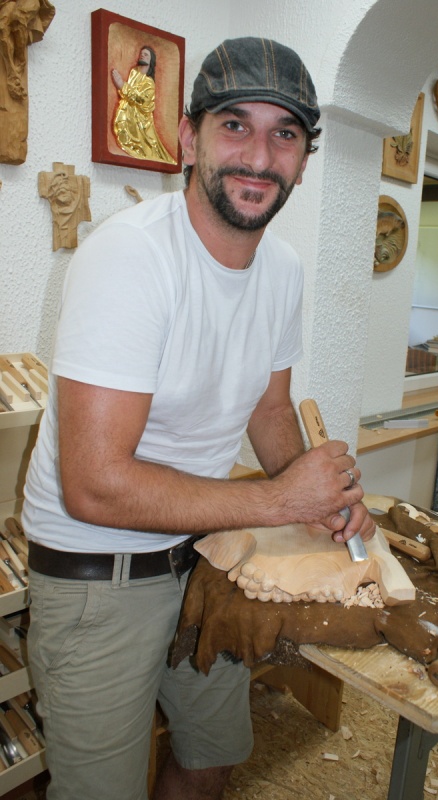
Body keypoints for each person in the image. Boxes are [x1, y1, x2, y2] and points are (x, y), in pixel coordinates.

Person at [22, 36, 376, 800]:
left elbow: (269, 407)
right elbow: (94, 486)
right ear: (188, 139)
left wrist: (320, 498)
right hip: (98, 579)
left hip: (205, 555)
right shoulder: (129, 258)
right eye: (234, 125)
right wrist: (281, 500)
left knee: (212, 757)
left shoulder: (281, 270)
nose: (260, 156)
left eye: (285, 134)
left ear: (304, 161)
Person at [111, 45, 177, 164]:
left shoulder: (149, 83)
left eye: (146, 55)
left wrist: (122, 84)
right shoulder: (134, 72)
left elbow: (142, 101)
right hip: (127, 111)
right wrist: (122, 87)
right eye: (141, 54)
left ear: (151, 61)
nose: (142, 56)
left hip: (140, 121)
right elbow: (128, 94)